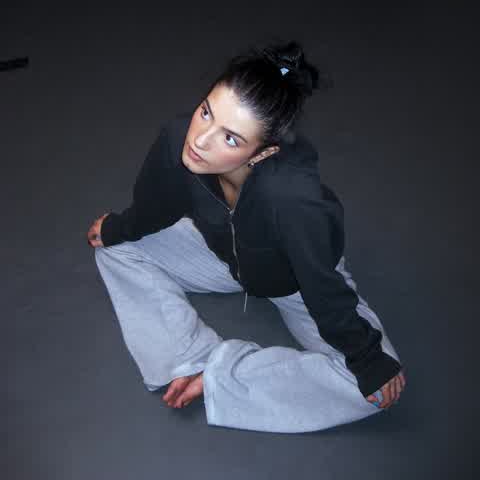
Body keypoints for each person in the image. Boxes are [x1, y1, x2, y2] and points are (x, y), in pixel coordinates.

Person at [87, 40, 406, 433]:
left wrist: (366, 358)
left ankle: (222, 378)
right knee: (115, 249)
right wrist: (119, 228)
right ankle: (189, 359)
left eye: (231, 138)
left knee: (370, 387)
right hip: (222, 256)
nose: (200, 140)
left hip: (295, 282)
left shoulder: (293, 200)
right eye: (206, 112)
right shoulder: (177, 139)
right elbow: (156, 206)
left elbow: (322, 285)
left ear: (264, 151)